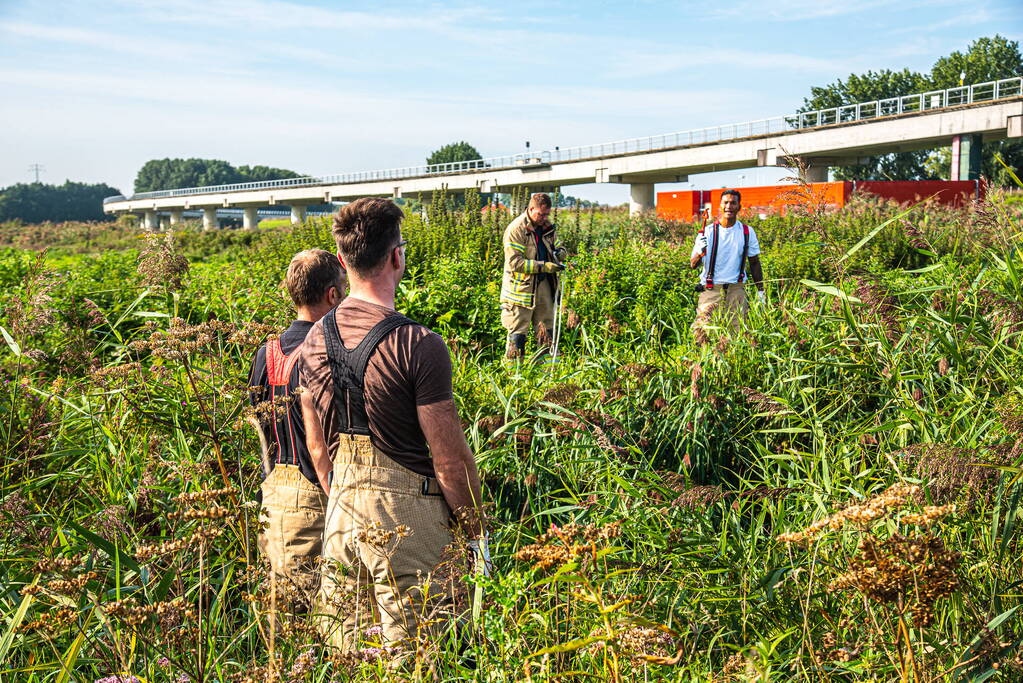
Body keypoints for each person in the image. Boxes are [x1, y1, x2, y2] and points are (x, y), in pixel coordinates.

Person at [298, 197, 487, 652]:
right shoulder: (418, 343)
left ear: (342, 262)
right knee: (422, 658)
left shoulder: (312, 341)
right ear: (397, 256)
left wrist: (345, 496)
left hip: (341, 517)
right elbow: (449, 461)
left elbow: (317, 449)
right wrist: (478, 531)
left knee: (348, 658)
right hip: (409, 524)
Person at [247, 249, 346, 606]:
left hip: (272, 496)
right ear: (332, 295)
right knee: (322, 619)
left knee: (281, 617)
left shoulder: (266, 352)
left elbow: (259, 424)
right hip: (316, 498)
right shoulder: (323, 354)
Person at [500, 192, 567, 359]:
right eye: (541, 214)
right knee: (518, 334)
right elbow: (515, 262)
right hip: (520, 290)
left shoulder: (547, 227)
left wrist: (560, 253)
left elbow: (559, 246)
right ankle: (514, 375)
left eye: (547, 214)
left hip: (544, 286)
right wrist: (543, 266)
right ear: (531, 209)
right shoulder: (516, 229)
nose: (544, 217)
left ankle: (545, 374)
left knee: (546, 331)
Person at [690, 190, 765, 330]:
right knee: (703, 331)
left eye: (733, 203)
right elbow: (693, 265)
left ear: (739, 207)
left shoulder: (747, 232)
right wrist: (700, 253)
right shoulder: (707, 231)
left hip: (736, 289)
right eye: (725, 202)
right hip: (711, 289)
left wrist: (761, 291)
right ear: (720, 206)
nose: (729, 206)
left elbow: (754, 262)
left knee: (736, 332)